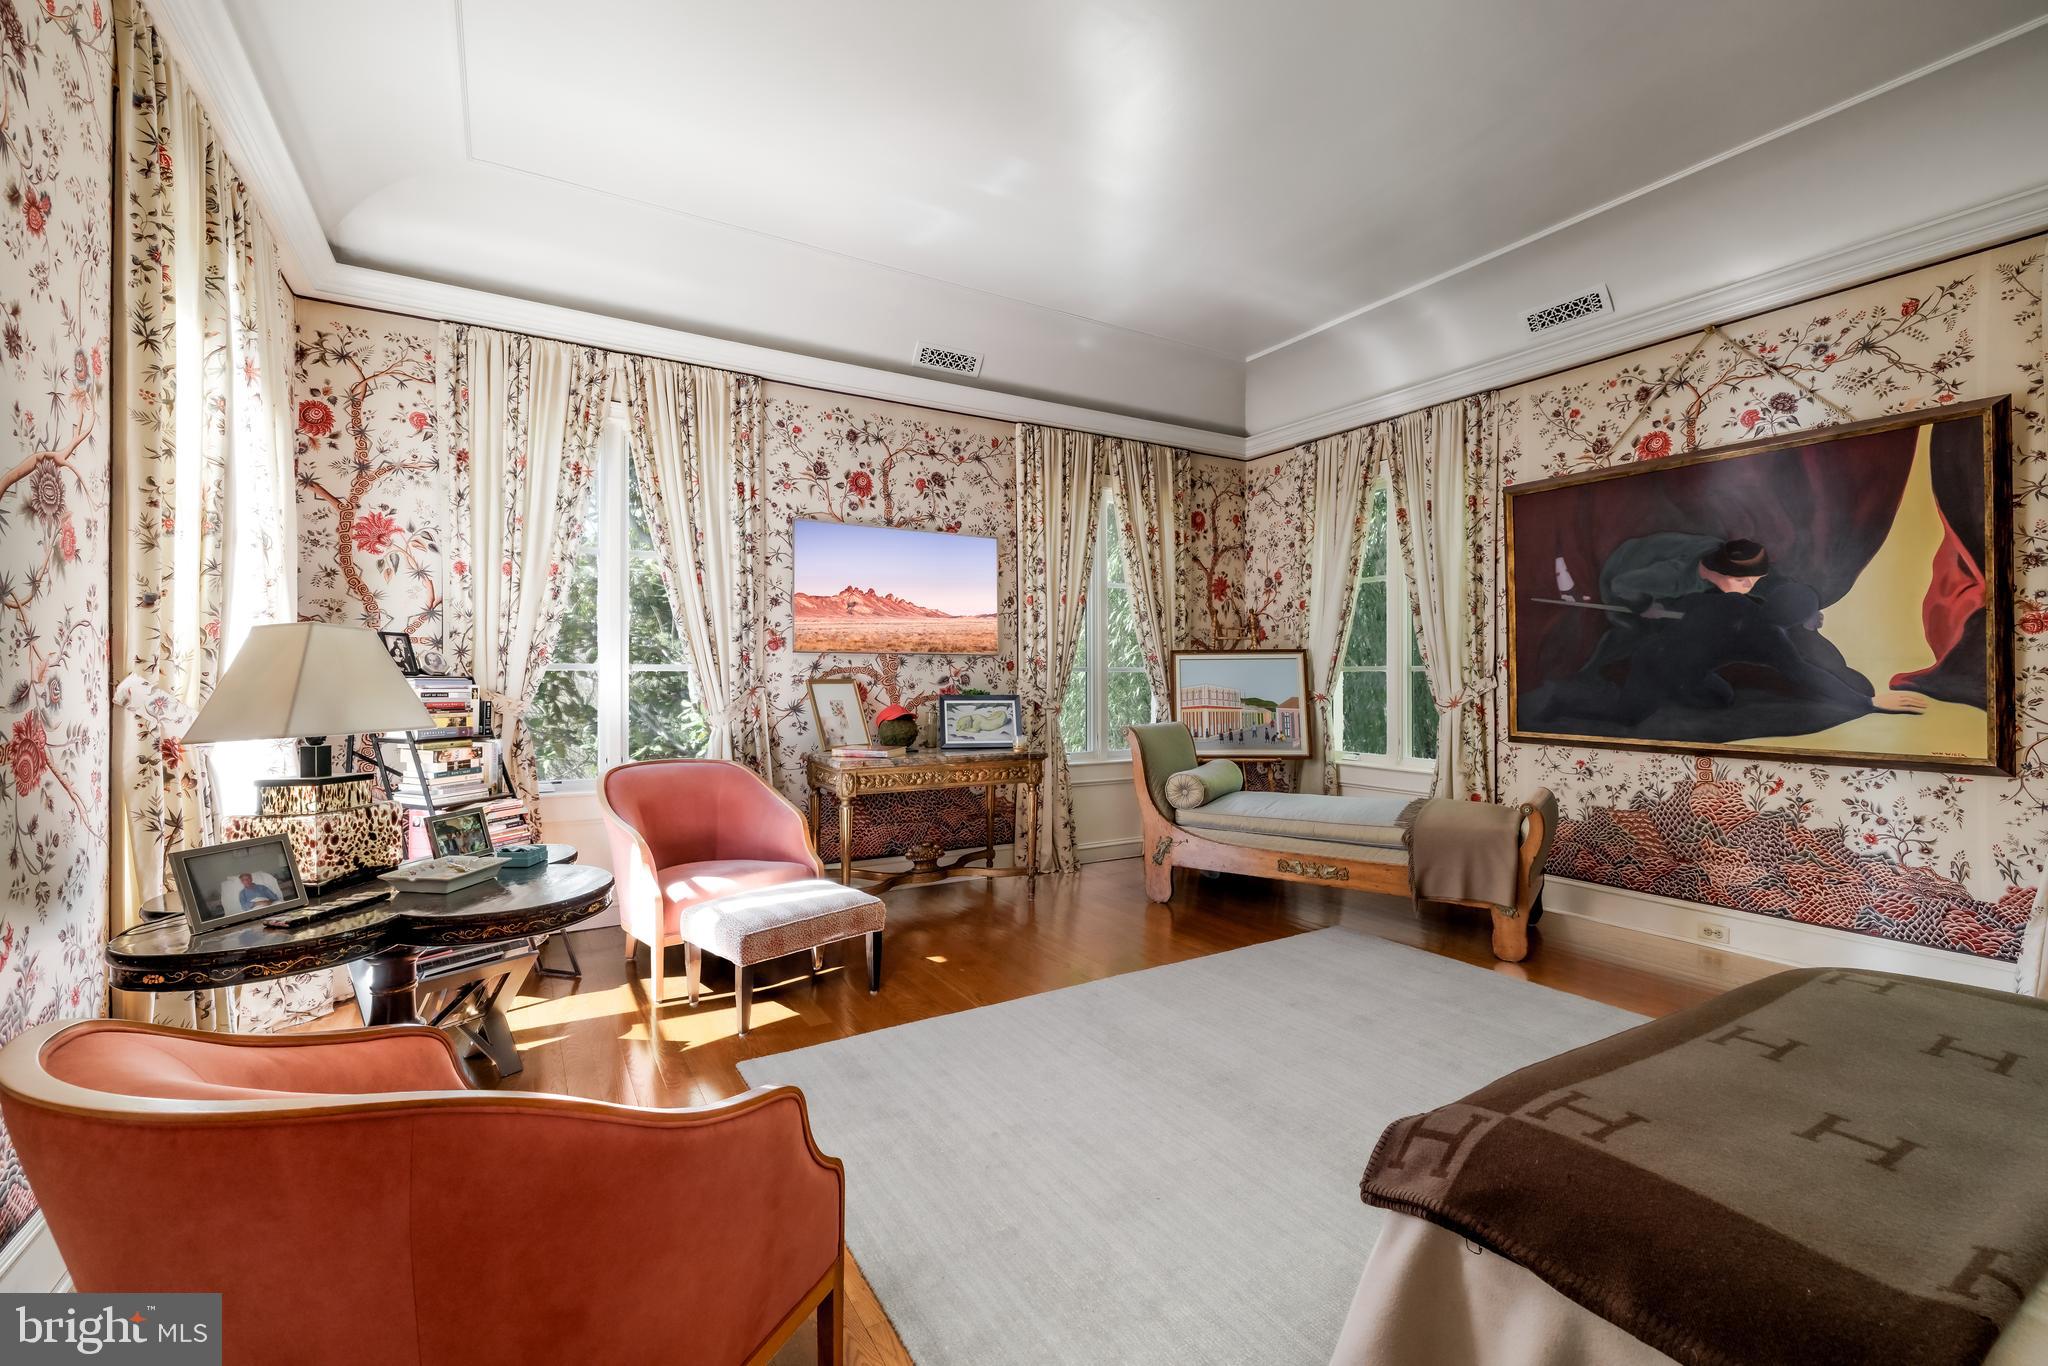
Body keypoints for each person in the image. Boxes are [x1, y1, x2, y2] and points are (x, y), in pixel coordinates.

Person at [1532, 536, 1927, 735]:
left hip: (1683, 660)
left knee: (1720, 697)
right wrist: (1868, 700)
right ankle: (1559, 696)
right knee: (1629, 715)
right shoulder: (1767, 638)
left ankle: (1681, 679)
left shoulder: (1728, 601)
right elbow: (1805, 674)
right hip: (1656, 661)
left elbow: (1765, 590)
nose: (1749, 585)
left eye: (1755, 582)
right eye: (1742, 580)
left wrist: (1805, 614)